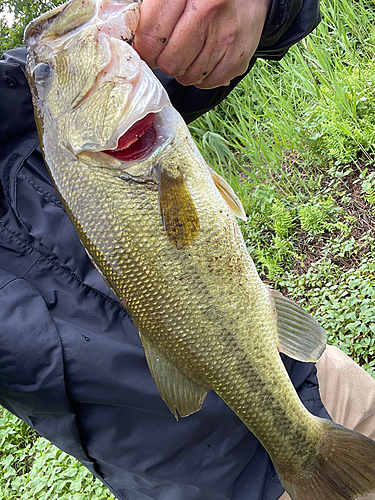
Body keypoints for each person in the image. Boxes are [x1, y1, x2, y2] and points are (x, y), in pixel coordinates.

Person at [0, 1, 374, 499]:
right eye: (45, 75)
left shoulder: (26, 103)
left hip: (316, 388)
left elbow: (212, 33)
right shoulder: (80, 109)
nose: (47, 73)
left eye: (44, 76)